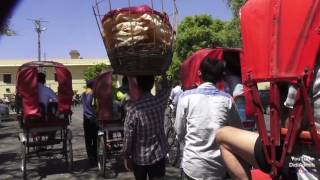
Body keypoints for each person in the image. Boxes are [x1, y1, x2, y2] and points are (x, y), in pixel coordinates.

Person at [174, 57, 244, 180]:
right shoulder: (227, 100)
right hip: (218, 169)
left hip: (192, 167)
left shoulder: (185, 98)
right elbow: (237, 132)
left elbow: (179, 132)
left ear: (199, 73)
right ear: (219, 77)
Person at [122, 75, 170, 180]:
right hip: (159, 155)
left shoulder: (133, 109)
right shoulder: (159, 100)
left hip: (140, 159)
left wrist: (126, 156)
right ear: (152, 84)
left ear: (137, 86)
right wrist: (163, 73)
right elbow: (167, 88)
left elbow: (128, 136)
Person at [81, 79, 98, 166]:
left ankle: (90, 157)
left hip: (85, 117)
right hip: (93, 118)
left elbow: (84, 105)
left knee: (88, 139)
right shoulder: (93, 94)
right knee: (95, 138)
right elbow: (92, 105)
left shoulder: (83, 94)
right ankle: (95, 157)